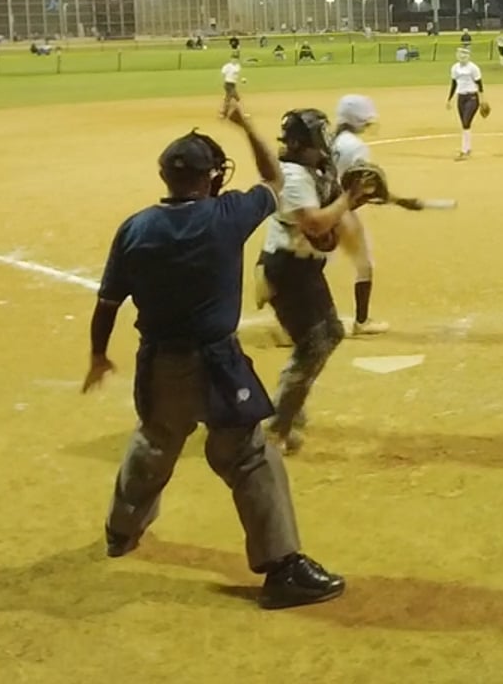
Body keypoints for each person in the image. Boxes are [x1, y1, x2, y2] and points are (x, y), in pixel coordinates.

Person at [82, 103, 346, 610]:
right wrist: (246, 125)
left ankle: (121, 529)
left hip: (158, 363)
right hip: (216, 365)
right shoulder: (225, 216)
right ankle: (282, 568)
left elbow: (107, 303)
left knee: (155, 441)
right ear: (209, 178)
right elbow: (273, 179)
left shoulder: (135, 227)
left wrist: (98, 355)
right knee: (248, 456)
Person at [261, 108, 373, 454]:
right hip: (286, 270)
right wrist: (348, 199)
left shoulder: (316, 168)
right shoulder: (293, 177)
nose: (324, 141)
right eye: (317, 136)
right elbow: (315, 223)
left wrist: (358, 197)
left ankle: (286, 407)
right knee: (313, 345)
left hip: (305, 268)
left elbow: (332, 209)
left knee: (330, 334)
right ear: (300, 143)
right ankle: (278, 425)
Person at [330, 95, 388, 337]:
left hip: (320, 206)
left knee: (311, 265)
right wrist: (384, 196)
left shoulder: (330, 140)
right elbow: (362, 187)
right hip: (342, 212)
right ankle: (361, 321)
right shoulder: (356, 147)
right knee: (364, 264)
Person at [447, 47, 486, 159]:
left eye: (464, 53)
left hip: (472, 97)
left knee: (466, 122)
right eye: (460, 53)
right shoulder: (454, 68)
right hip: (461, 97)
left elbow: (480, 84)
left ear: (468, 56)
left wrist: (482, 100)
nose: (462, 56)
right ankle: (467, 148)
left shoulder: (473, 68)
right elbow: (454, 84)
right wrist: (449, 99)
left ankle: (464, 151)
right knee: (465, 124)